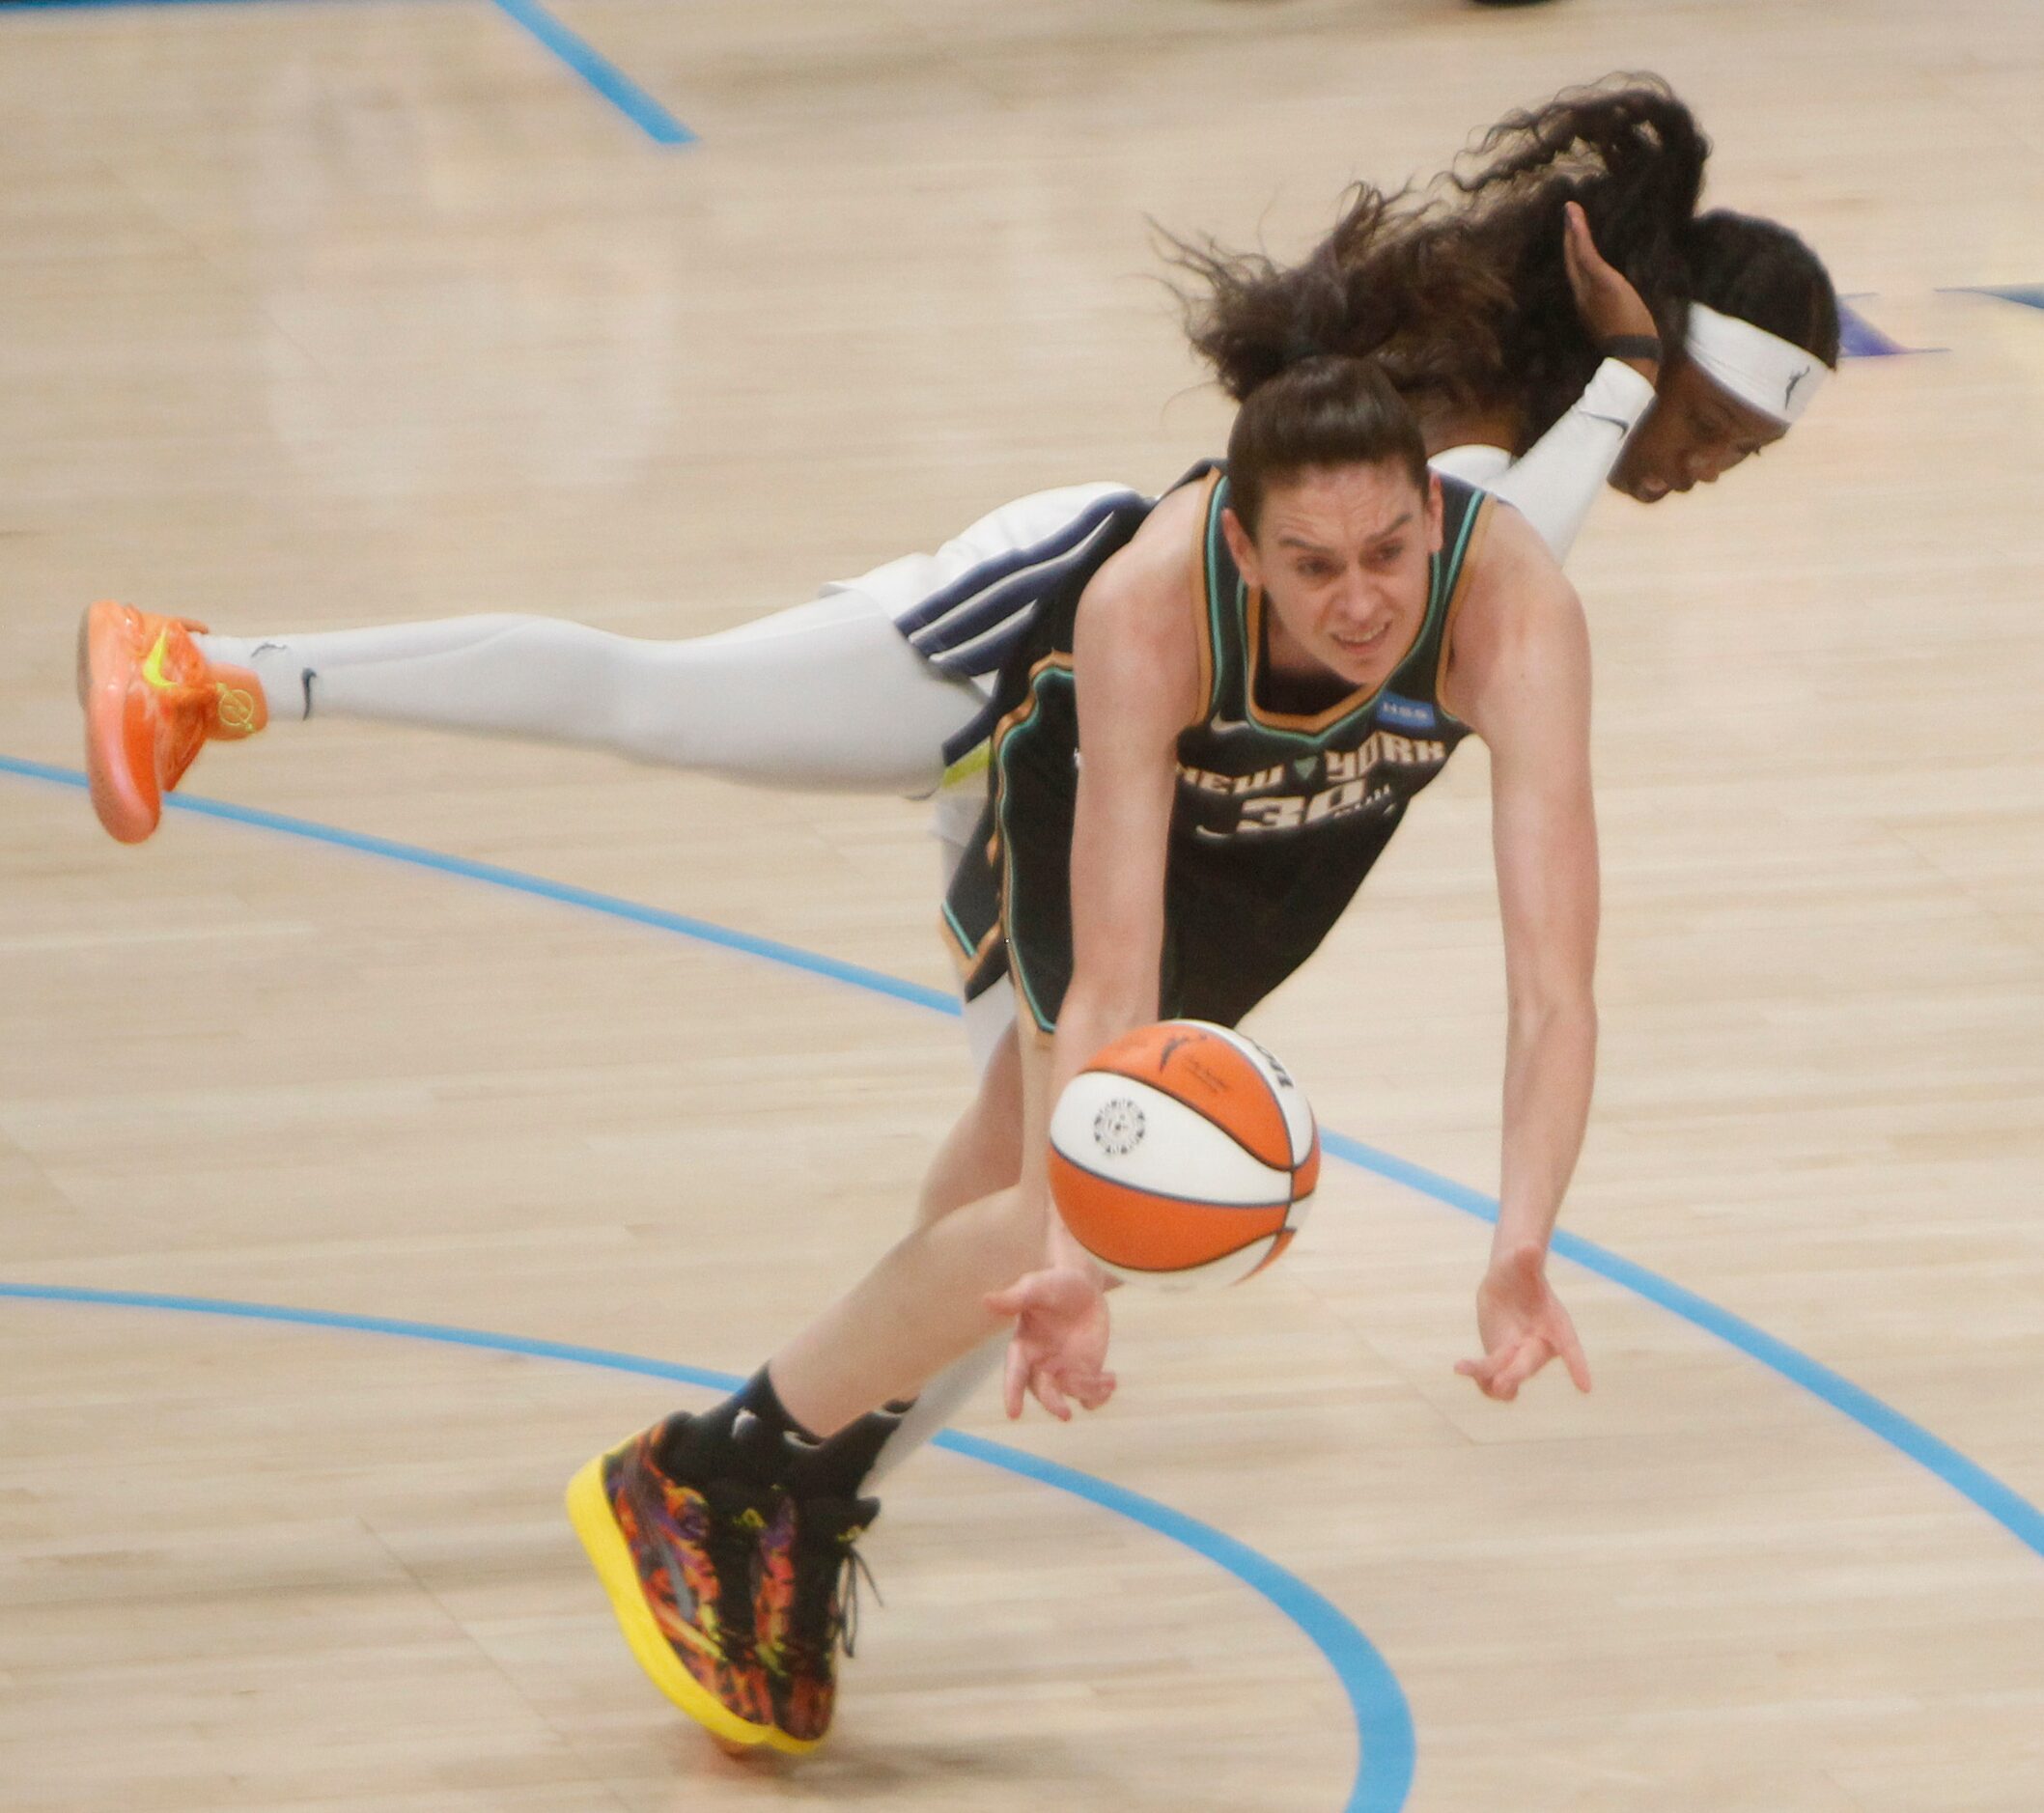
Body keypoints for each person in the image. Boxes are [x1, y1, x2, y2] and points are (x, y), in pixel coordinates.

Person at [556, 354, 1600, 1754]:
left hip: (1281, 837)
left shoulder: (1513, 604)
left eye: (1387, 552)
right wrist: (1081, 1245)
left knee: (1002, 1180)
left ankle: (804, 1485)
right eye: (1309, 564)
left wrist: (1519, 1234)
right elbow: (1109, 969)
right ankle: (709, 1469)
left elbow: (1553, 988)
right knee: (1057, 1214)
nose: (1358, 600)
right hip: (1084, 811)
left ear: (1431, 506)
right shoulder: (1147, 605)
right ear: (1241, 545)